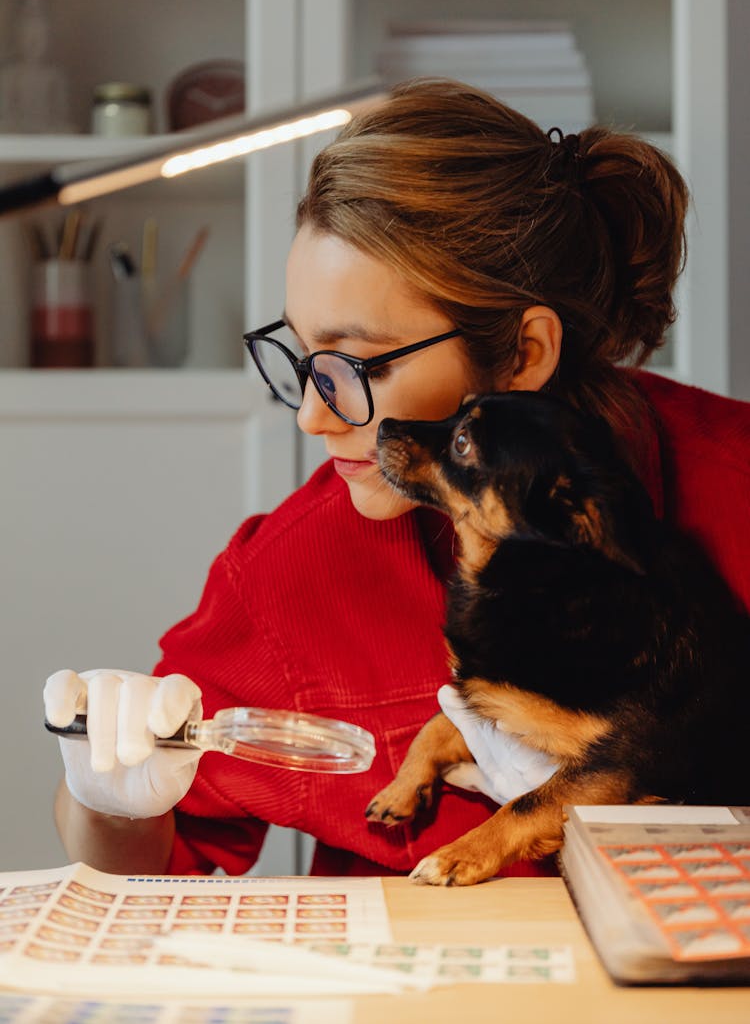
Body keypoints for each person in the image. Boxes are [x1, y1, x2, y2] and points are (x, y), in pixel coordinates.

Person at [44, 78, 750, 879]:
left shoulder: (733, 484)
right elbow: (150, 868)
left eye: (351, 363)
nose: (312, 415)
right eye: (304, 358)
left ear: (524, 354)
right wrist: (108, 796)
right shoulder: (292, 574)